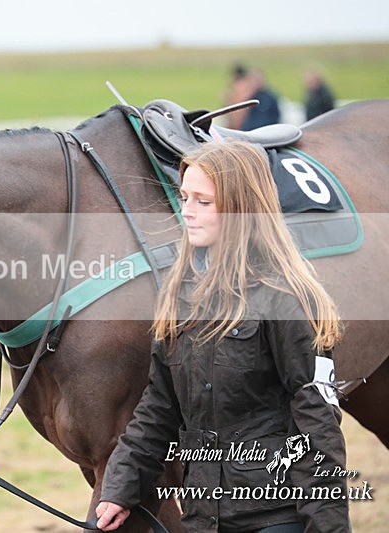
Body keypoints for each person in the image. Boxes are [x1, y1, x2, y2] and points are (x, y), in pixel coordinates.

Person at [95, 142, 348, 532]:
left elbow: (318, 418)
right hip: (204, 516)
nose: (187, 211)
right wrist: (120, 489)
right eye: (184, 197)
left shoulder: (286, 297)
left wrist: (328, 526)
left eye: (203, 201)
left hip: (278, 515)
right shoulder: (179, 295)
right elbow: (159, 406)